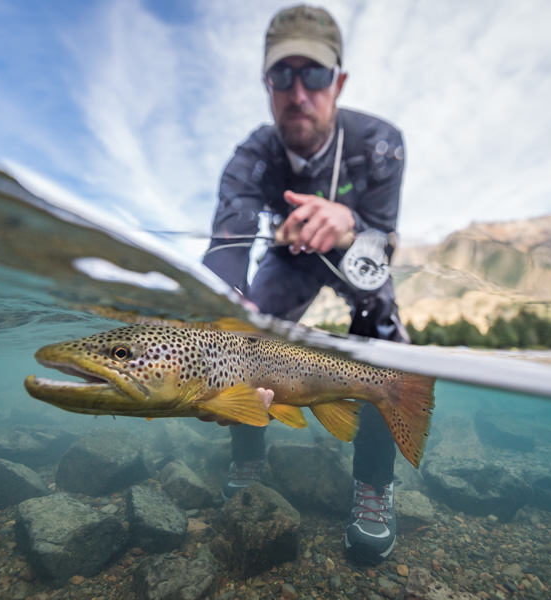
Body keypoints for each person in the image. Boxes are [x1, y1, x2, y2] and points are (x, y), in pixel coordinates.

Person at [202, 4, 409, 565]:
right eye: (282, 75)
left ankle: (373, 484)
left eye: (314, 74)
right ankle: (247, 457)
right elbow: (227, 248)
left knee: (390, 352)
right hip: (288, 259)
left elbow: (386, 243)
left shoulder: (381, 144)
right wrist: (234, 305)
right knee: (237, 337)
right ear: (266, 84)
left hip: (355, 258)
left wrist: (350, 226)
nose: (299, 92)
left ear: (337, 82)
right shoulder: (251, 156)